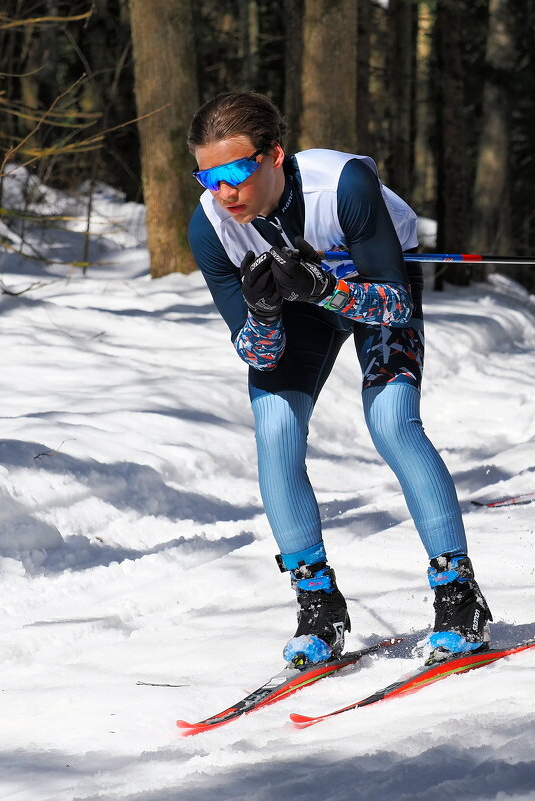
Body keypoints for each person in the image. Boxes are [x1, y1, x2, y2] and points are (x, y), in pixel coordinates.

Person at [185, 91, 491, 667]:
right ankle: (317, 604)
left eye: (233, 173)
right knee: (274, 429)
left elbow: (395, 304)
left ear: (274, 156)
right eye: (206, 178)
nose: (222, 193)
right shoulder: (211, 230)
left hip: (374, 289)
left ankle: (458, 594)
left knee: (392, 421)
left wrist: (331, 289)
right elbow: (255, 352)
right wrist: (268, 313)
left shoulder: (342, 185)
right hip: (301, 309)